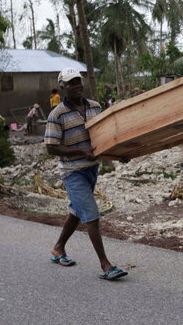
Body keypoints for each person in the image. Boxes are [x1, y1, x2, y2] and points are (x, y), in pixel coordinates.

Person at [44, 68, 127, 281]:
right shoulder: (57, 114)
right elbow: (51, 147)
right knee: (91, 213)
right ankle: (106, 265)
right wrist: (81, 152)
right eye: (71, 83)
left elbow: (104, 137)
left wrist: (120, 154)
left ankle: (58, 248)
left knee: (76, 211)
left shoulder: (95, 107)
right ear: (63, 86)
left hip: (92, 169)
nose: (76, 85)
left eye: (78, 81)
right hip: (72, 172)